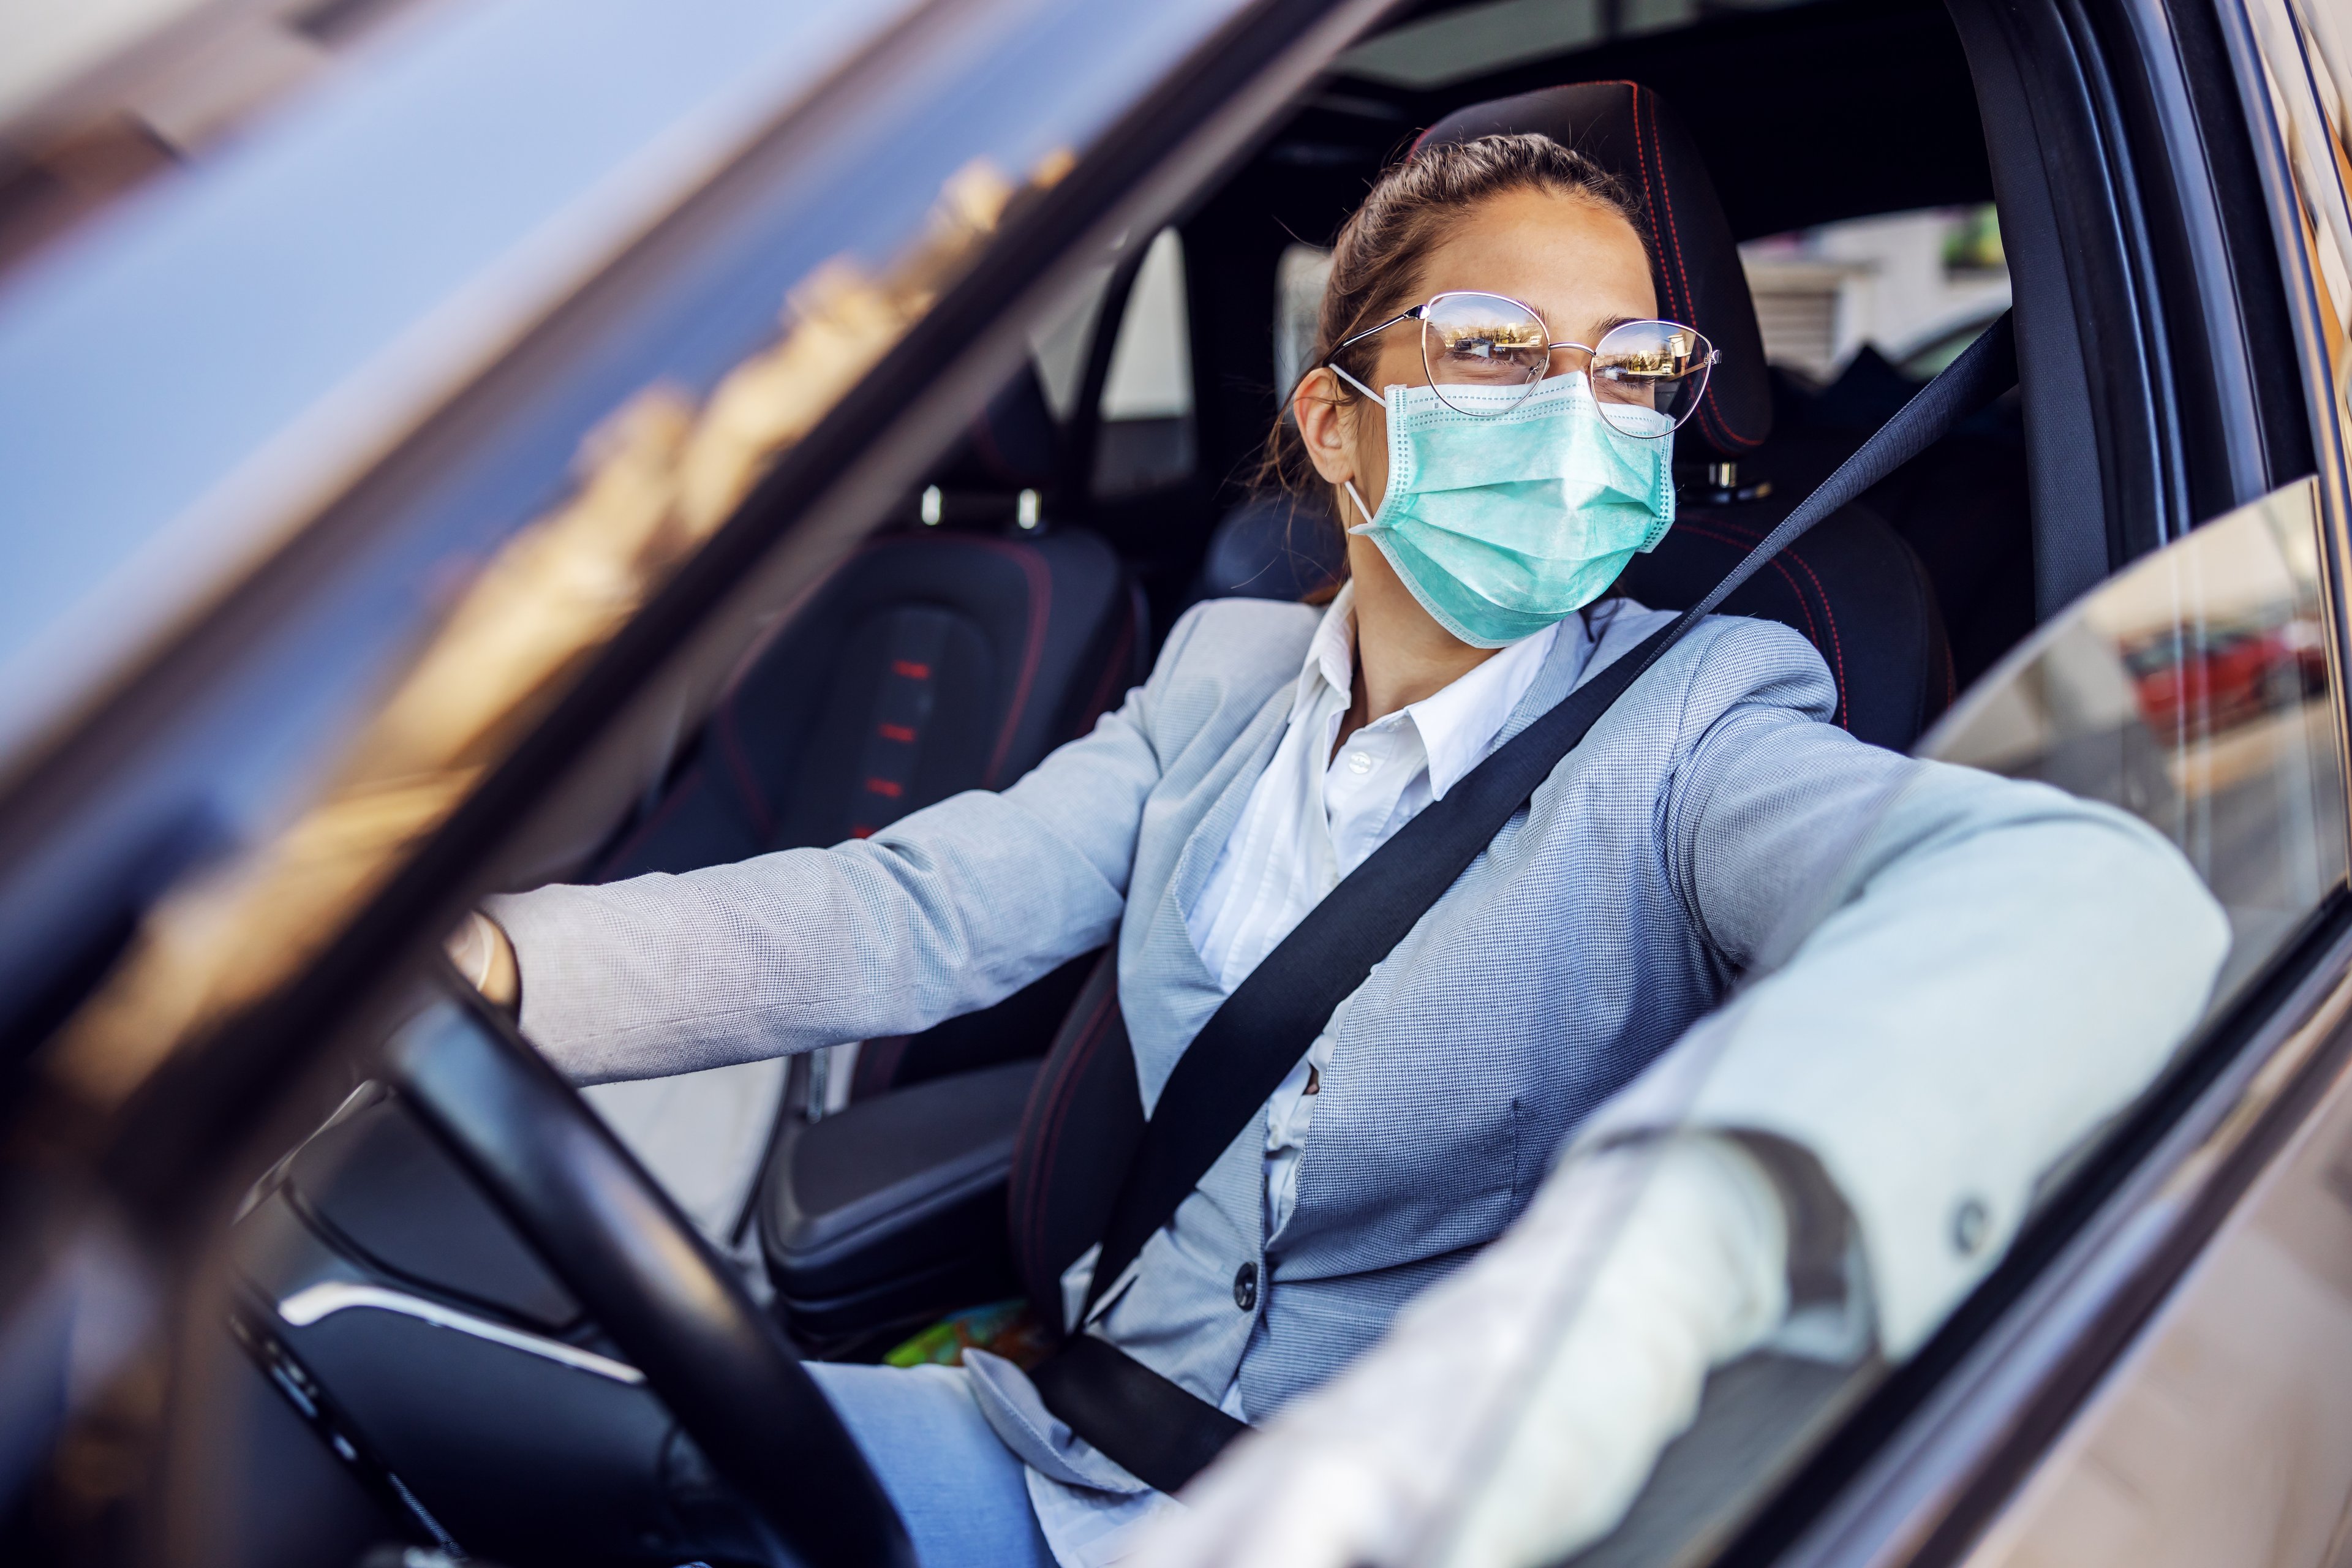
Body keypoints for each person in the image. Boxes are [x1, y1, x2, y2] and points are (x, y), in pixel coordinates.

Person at [454, 133, 2225, 1567]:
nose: (1579, 416)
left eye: (1633, 371)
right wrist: (491, 970)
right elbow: (907, 914)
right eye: (1497, 354)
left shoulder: (1707, 724)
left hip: (1380, 1528)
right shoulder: (1218, 677)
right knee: (465, 1441)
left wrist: (1635, 1292)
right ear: (1336, 424)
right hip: (1048, 1448)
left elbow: (2077, 895)